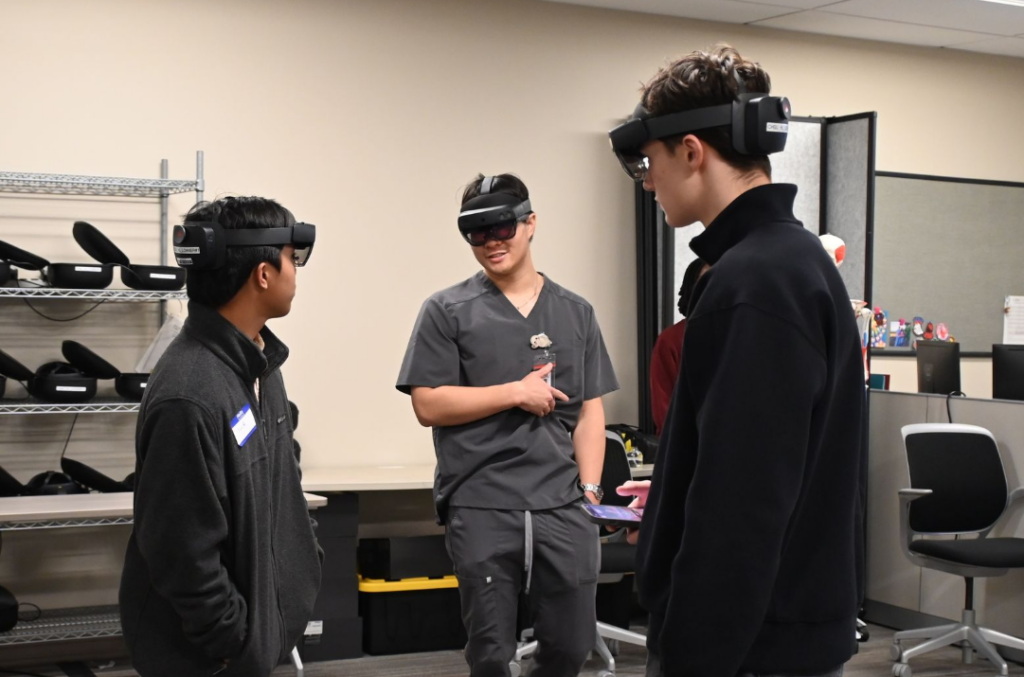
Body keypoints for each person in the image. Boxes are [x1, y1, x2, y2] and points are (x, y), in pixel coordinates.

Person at [611, 46, 866, 677]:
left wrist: (691, 659)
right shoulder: (790, 261)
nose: (649, 181)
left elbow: (742, 510)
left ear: (691, 151)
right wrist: (673, 490)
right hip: (775, 633)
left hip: (750, 649)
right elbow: (764, 460)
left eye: (650, 162)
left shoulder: (754, 283)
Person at [397, 174, 619, 677]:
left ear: (530, 223)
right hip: (482, 501)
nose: (491, 242)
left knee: (571, 647)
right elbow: (428, 403)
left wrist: (589, 492)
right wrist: (515, 392)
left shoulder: (575, 312)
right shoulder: (447, 311)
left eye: (502, 228)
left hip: (562, 503)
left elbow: (589, 410)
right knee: (491, 654)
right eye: (476, 233)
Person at [119, 196, 323, 677]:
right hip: (207, 659)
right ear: (264, 274)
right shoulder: (189, 395)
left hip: (252, 644)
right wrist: (232, 640)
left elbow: (282, 480)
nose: (296, 272)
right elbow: (180, 551)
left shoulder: (259, 364)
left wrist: (300, 564)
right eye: (292, 258)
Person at [649, 256, 707, 434]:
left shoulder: (743, 335)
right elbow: (664, 411)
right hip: (688, 444)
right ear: (691, 288)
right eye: (704, 280)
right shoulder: (671, 340)